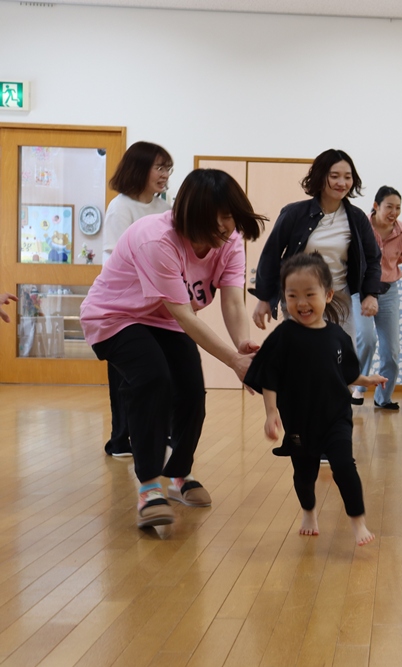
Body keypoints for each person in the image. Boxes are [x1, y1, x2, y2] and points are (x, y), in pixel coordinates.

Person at [80, 169, 265, 529]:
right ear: (190, 213)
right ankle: (150, 487)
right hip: (114, 316)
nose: (225, 226)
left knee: (192, 391)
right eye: (216, 216)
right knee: (153, 379)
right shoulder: (157, 238)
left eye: (230, 216)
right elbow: (183, 314)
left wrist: (242, 346)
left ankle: (179, 474)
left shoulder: (230, 241)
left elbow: (232, 301)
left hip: (163, 319)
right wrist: (233, 362)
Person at [244, 253, 383, 543]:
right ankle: (309, 511)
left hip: (336, 417)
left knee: (344, 466)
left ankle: (358, 522)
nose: (301, 302)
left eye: (309, 294)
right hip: (299, 421)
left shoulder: (337, 336)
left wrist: (365, 380)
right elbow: (269, 377)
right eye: (292, 295)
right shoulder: (284, 336)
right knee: (304, 475)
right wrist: (271, 413)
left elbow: (344, 373)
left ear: (328, 295)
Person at [251, 149, 381, 346]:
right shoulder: (294, 213)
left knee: (342, 356)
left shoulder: (356, 218)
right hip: (301, 297)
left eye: (348, 177)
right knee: (304, 355)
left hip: (339, 297)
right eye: (334, 176)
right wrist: (264, 298)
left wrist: (370, 294)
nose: (342, 183)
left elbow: (372, 258)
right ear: (321, 177)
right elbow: (271, 254)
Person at [101, 141, 174, 458]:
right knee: (125, 377)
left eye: (168, 168)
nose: (165, 174)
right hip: (123, 305)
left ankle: (159, 434)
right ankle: (121, 439)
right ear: (140, 169)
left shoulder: (163, 208)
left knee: (161, 372)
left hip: (157, 303)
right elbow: (115, 259)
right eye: (159, 167)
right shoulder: (121, 207)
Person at [350, 186, 402, 410]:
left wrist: (386, 272)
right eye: (389, 207)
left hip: (388, 291)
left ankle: (383, 398)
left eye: (398, 208)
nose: (394, 212)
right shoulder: (360, 226)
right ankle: (359, 385)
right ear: (376, 206)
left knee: (391, 351)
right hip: (361, 291)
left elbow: (401, 257)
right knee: (367, 339)